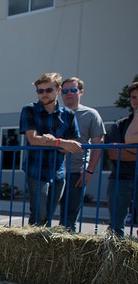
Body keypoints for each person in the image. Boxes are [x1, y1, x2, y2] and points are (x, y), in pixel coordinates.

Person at [19, 72, 82, 226]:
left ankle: (43, 246)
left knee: (48, 215)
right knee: (38, 214)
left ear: (58, 90)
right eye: (40, 91)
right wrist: (59, 142)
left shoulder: (68, 115)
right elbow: (33, 139)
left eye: (48, 90)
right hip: (36, 170)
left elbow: (72, 145)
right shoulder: (29, 110)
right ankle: (32, 246)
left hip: (58, 170)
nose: (44, 94)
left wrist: (56, 143)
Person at [58, 77, 106, 232]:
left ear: (81, 92)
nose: (68, 94)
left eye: (73, 90)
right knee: (42, 214)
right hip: (53, 171)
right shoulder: (55, 113)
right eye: (64, 91)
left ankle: (64, 250)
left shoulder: (91, 115)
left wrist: (89, 171)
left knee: (69, 218)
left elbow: (98, 144)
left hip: (76, 173)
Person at [106, 81, 138, 237]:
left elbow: (120, 150)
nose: (136, 101)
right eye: (133, 97)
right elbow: (113, 153)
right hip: (119, 180)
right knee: (115, 229)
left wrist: (125, 148)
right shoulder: (120, 124)